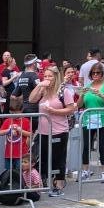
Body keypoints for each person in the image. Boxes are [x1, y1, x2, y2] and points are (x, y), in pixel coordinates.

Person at [29, 67, 77, 195]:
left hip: (59, 130)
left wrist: (54, 111)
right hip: (44, 131)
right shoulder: (43, 91)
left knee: (58, 158)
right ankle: (46, 182)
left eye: (50, 76)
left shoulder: (64, 91)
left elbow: (71, 109)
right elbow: (31, 99)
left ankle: (59, 184)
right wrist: (39, 85)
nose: (47, 79)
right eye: (45, 76)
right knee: (44, 158)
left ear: (56, 78)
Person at [78, 63, 104, 181]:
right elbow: (79, 105)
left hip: (102, 119)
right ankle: (85, 170)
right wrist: (81, 94)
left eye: (98, 73)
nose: (95, 75)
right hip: (88, 119)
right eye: (93, 73)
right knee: (86, 146)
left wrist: (101, 94)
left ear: (102, 74)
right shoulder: (87, 86)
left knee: (102, 146)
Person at [0, 95, 32, 186]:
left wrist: (20, 131)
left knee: (19, 173)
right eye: (12, 112)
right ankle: (9, 188)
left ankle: (20, 187)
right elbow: (0, 132)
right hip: (9, 153)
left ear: (21, 111)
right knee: (8, 172)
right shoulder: (8, 120)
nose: (14, 115)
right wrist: (9, 130)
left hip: (21, 153)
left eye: (16, 112)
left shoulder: (26, 121)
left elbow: (30, 134)